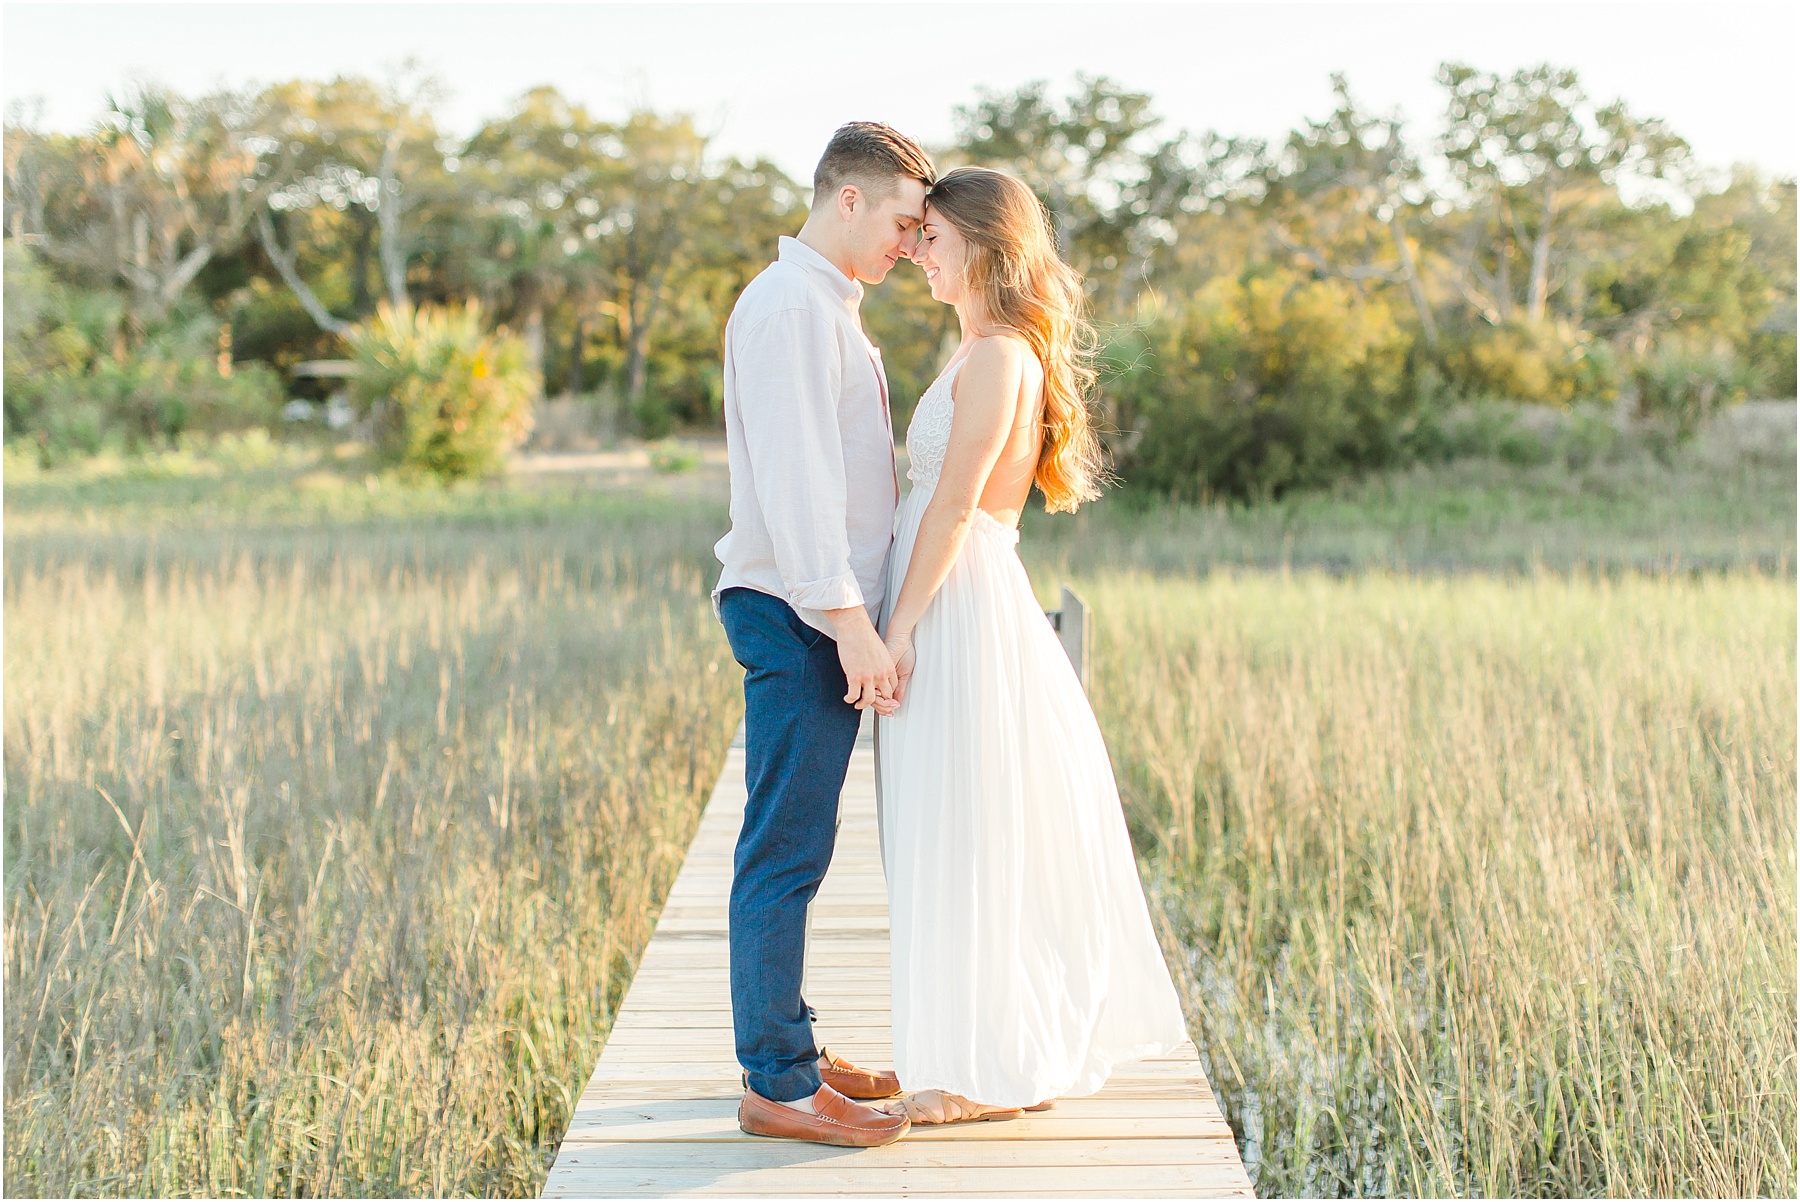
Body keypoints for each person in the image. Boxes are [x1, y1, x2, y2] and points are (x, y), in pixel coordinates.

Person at [875, 166, 1190, 1124]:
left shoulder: (1001, 356)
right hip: (948, 593)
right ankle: (967, 1046)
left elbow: (955, 504)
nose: (916, 252)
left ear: (980, 243)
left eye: (930, 235)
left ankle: (982, 1071)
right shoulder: (979, 350)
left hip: (959, 603)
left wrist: (897, 630)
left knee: (966, 829)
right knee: (943, 824)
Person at [711, 121, 934, 1148]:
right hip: (800, 613)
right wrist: (851, 625)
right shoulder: (790, 307)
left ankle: (791, 1046)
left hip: (816, 611)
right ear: (850, 199)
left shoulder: (826, 307)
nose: (908, 242)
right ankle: (778, 1084)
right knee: (783, 849)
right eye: (900, 221)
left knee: (801, 842)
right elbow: (799, 486)